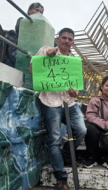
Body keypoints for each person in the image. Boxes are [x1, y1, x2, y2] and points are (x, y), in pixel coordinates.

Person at [29, 28, 86, 190]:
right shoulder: (45, 51)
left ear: (73, 43)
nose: (67, 41)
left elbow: (77, 88)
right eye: (64, 38)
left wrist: (76, 93)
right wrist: (47, 55)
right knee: (53, 139)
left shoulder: (73, 62)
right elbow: (33, 70)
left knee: (81, 130)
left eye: (70, 39)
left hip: (70, 102)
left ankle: (66, 155)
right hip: (51, 102)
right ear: (57, 39)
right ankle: (61, 178)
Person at [4, 2, 44, 67]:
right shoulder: (21, 20)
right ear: (29, 10)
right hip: (16, 53)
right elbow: (20, 31)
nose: (38, 13)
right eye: (36, 10)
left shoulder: (42, 28)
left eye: (41, 12)